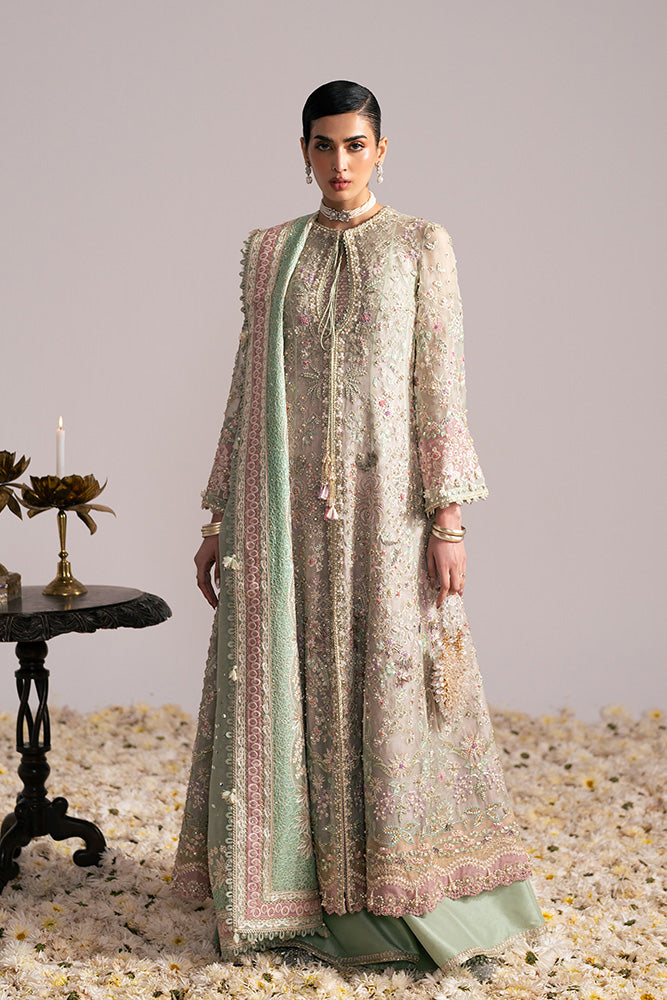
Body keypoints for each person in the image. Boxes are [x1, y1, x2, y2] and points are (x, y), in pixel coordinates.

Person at [173, 80, 546, 977]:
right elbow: (246, 385)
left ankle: (399, 897)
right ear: (302, 151)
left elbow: (438, 380)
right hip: (286, 516)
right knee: (295, 686)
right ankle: (297, 894)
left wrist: (447, 520)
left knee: (394, 690)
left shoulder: (419, 244)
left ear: (382, 150)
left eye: (354, 145)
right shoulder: (274, 251)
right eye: (322, 145)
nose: (338, 163)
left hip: (388, 516)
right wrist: (221, 514)